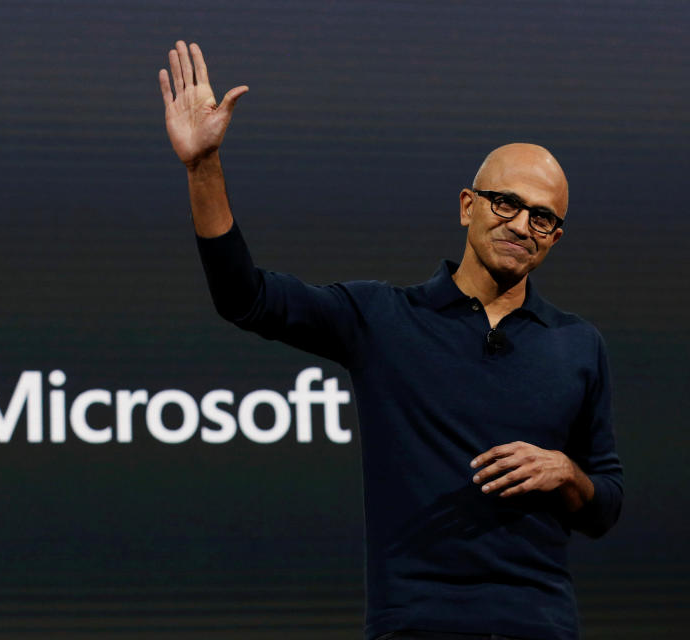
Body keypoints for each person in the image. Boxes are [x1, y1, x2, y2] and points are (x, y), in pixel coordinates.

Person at [158, 41, 623, 640]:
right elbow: (245, 297)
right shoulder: (383, 317)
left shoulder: (579, 345)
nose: (521, 225)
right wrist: (203, 167)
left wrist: (568, 473)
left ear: (555, 237)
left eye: (542, 218)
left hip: (540, 624)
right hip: (416, 623)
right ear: (467, 207)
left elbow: (605, 505)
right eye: (507, 203)